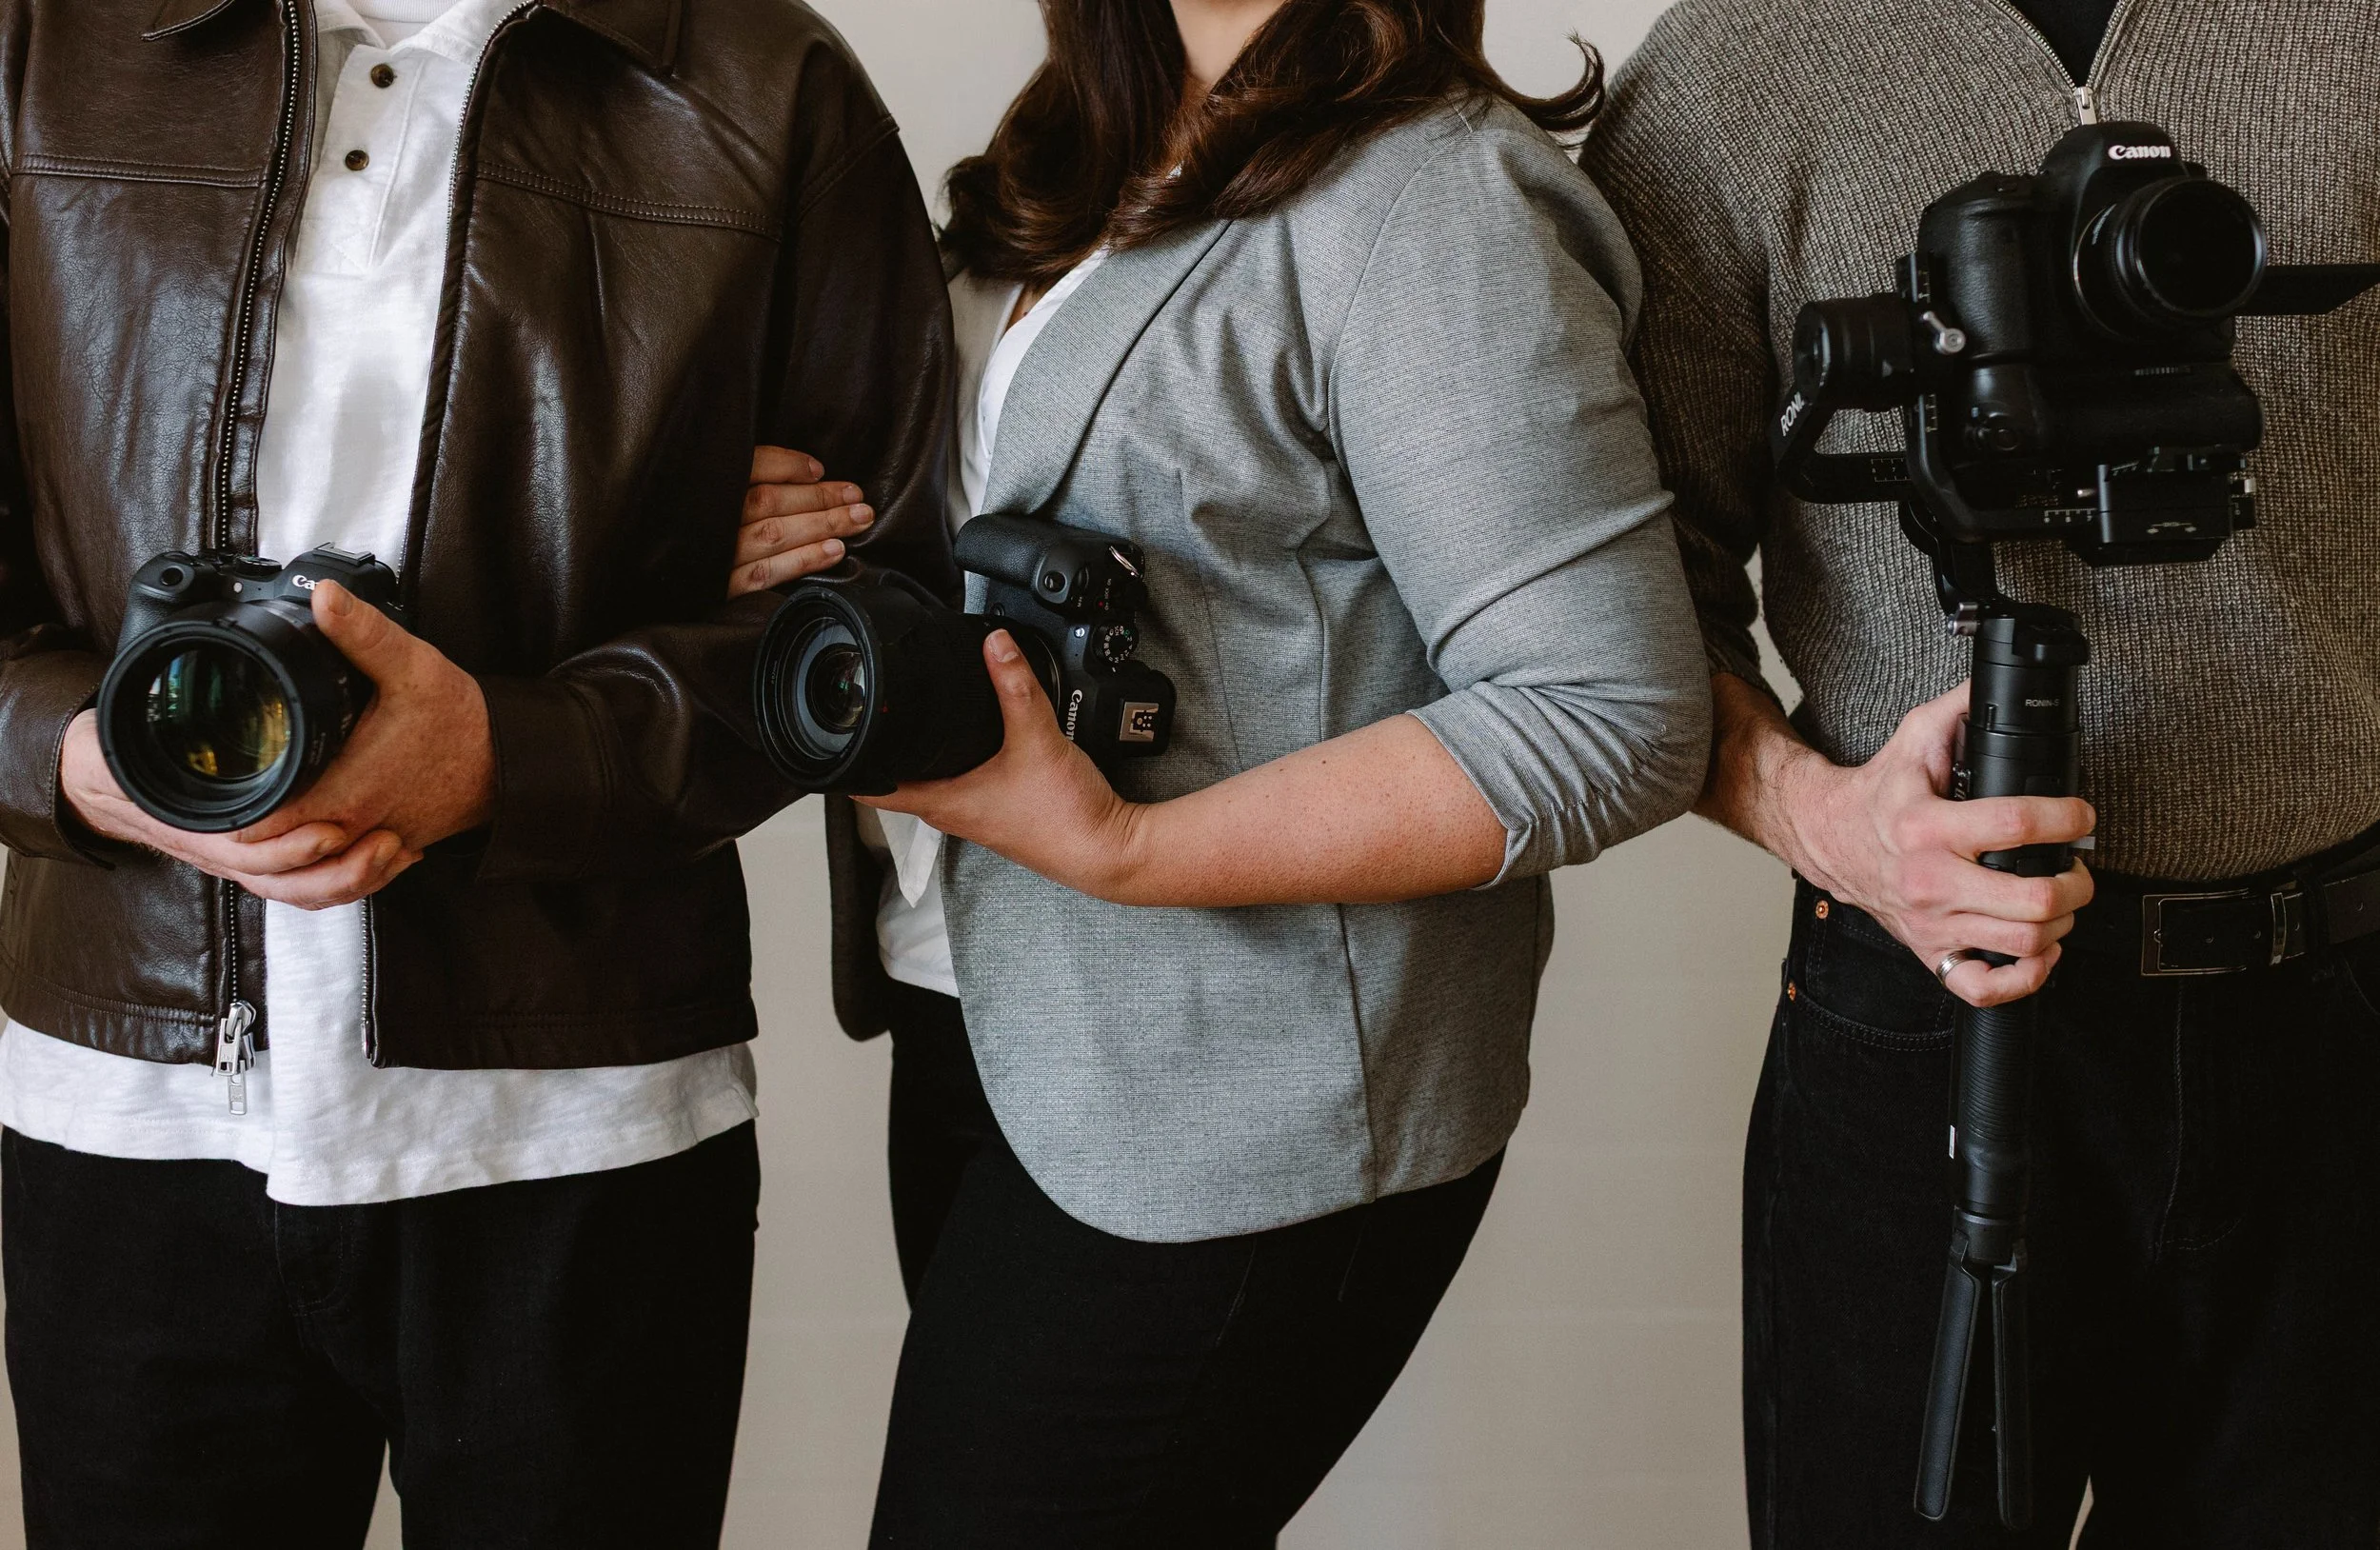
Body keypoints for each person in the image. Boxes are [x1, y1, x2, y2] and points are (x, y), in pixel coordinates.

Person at [731, 0, 1711, 1540]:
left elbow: (1606, 711)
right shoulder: (1072, 143)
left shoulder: (1432, 198)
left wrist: (1127, 849)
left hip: (1243, 1100)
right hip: (989, 1018)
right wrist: (800, 522)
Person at [0, 1, 951, 1544]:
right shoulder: (49, 42)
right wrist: (81, 760)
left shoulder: (767, 84)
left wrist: (516, 754)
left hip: (582, 1115)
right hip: (129, 1115)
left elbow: (883, 614)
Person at [1583, 0, 2380, 1543]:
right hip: (1922, 1004)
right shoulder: (1744, 62)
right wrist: (1825, 824)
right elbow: (1618, 596)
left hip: (2341, 1005)